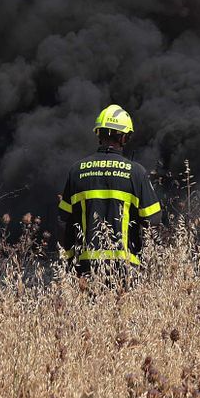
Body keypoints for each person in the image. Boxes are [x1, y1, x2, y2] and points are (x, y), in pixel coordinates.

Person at [57, 104, 161, 274]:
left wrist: (69, 261)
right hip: (126, 270)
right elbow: (153, 219)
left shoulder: (77, 171)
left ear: (99, 134)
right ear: (123, 138)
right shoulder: (136, 172)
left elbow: (64, 222)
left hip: (87, 269)